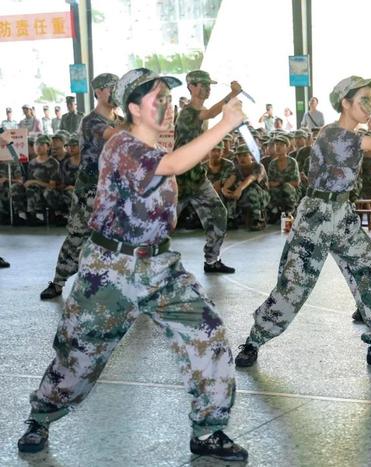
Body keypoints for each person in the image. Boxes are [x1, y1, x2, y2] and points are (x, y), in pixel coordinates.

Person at [16, 68, 248, 461]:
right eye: (158, 98)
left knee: (208, 334)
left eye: (169, 99)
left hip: (159, 265)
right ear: (134, 108)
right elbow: (172, 167)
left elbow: (171, 165)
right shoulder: (121, 145)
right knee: (78, 359)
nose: (167, 105)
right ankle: (40, 416)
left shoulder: (157, 151)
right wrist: (226, 122)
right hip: (109, 269)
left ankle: (208, 431)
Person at [234, 75, 371, 369]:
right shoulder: (333, 135)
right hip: (316, 216)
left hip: (342, 214)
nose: (369, 105)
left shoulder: (347, 135)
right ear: (345, 103)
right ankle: (254, 340)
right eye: (363, 99)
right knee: (294, 286)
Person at [40, 73, 123, 300]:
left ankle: (112, 284)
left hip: (114, 191)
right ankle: (57, 282)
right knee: (77, 236)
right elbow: (115, 135)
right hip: (90, 191)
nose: (114, 92)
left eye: (117, 88)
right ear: (97, 92)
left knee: (116, 239)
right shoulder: (91, 121)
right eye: (109, 88)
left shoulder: (120, 119)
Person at [174, 69, 241, 273]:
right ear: (191, 87)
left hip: (196, 176)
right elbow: (211, 113)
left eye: (209, 85)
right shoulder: (188, 113)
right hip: (179, 178)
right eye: (202, 85)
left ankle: (212, 260)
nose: (207, 89)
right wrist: (232, 95)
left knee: (218, 212)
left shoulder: (199, 112)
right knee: (162, 223)